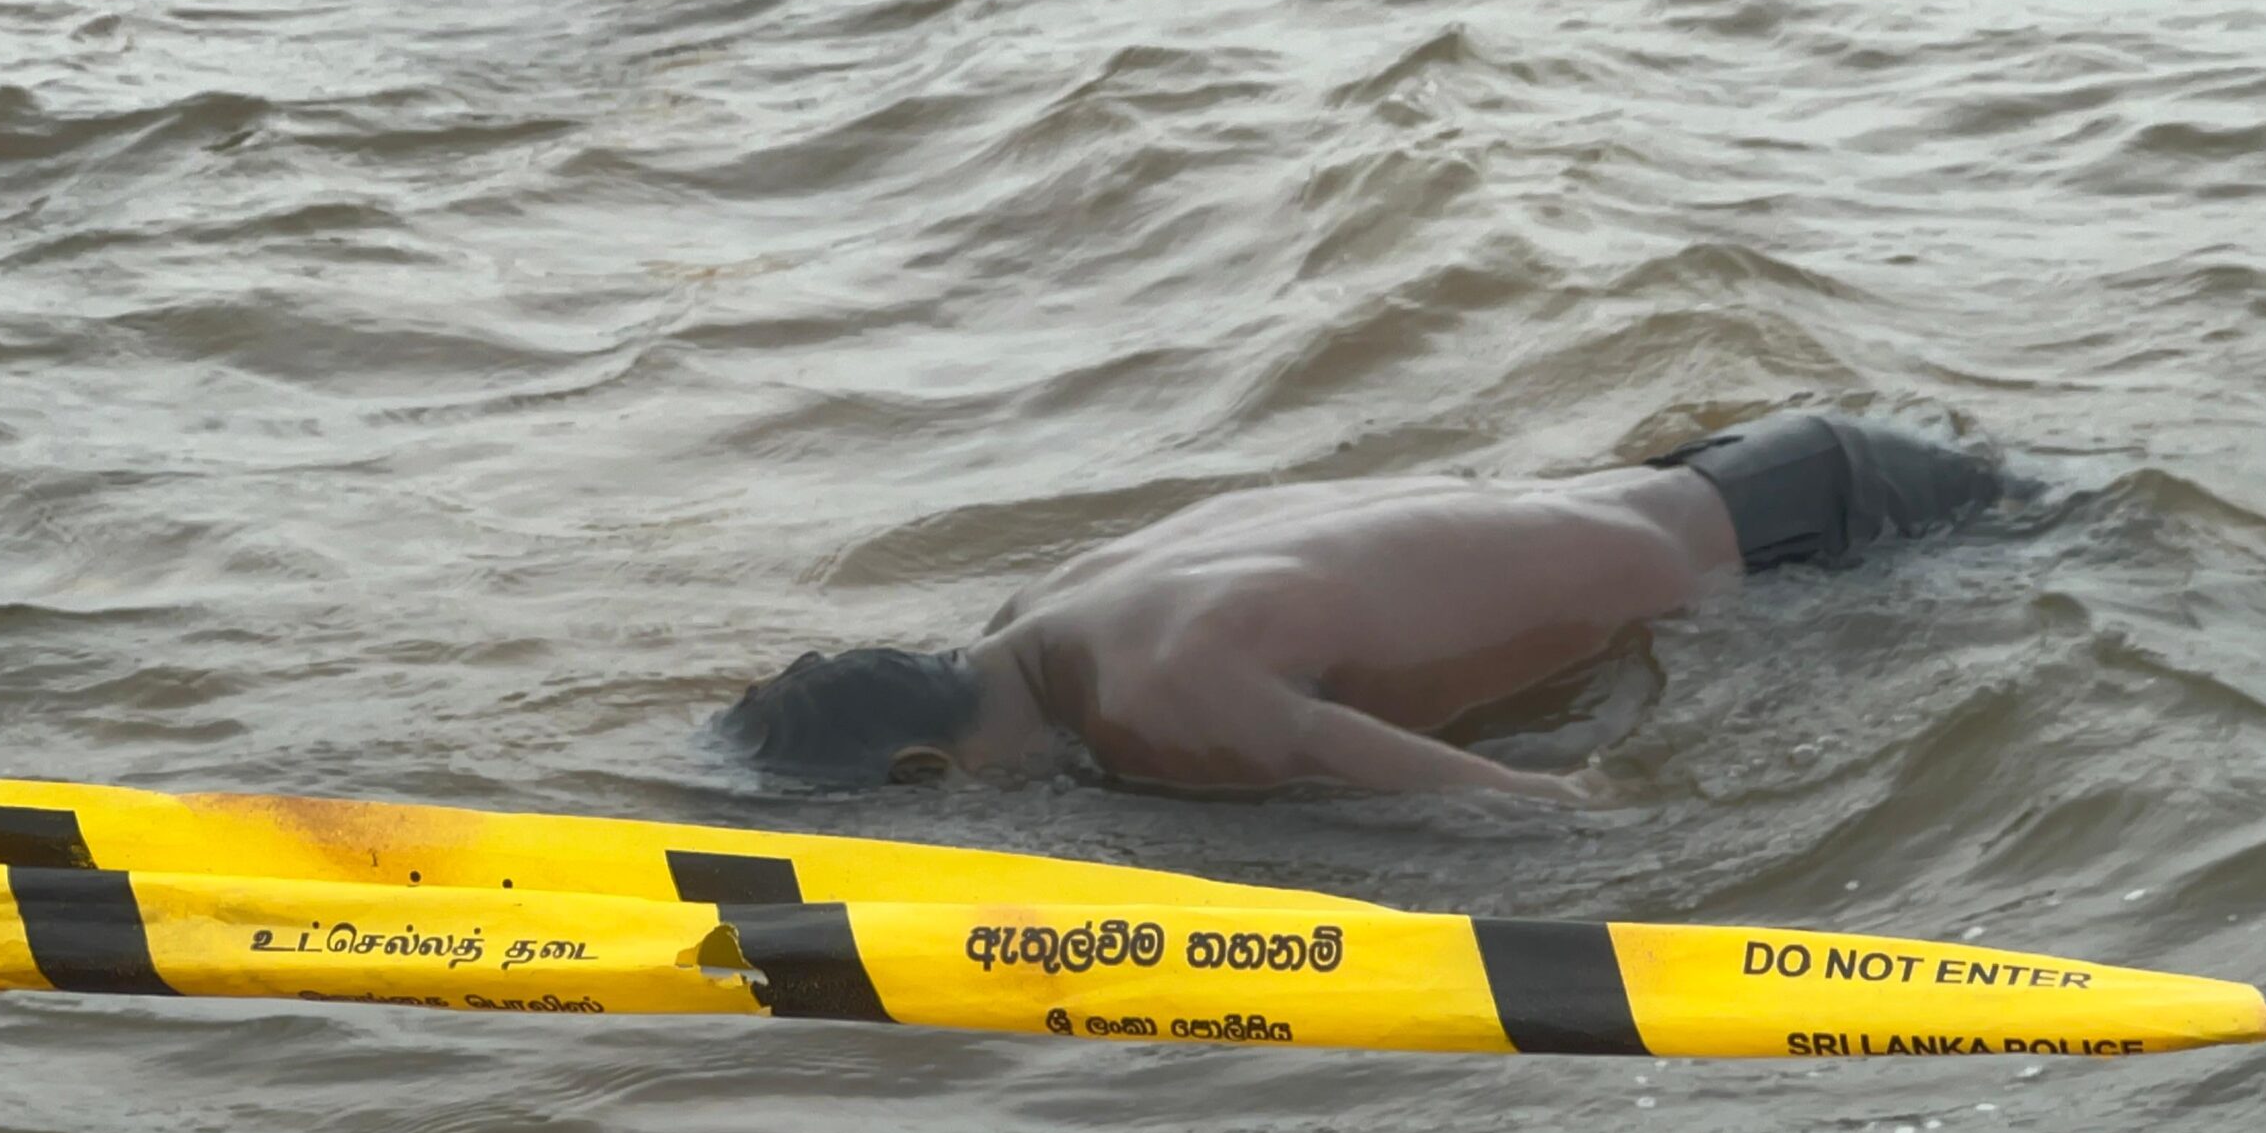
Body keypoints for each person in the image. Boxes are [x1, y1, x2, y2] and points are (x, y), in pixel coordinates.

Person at [717, 411, 2011, 801]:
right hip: (1746, 465)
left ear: (926, 771)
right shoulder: (1054, 606)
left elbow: (1553, 821)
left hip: (1833, 532)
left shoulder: (1169, 707)